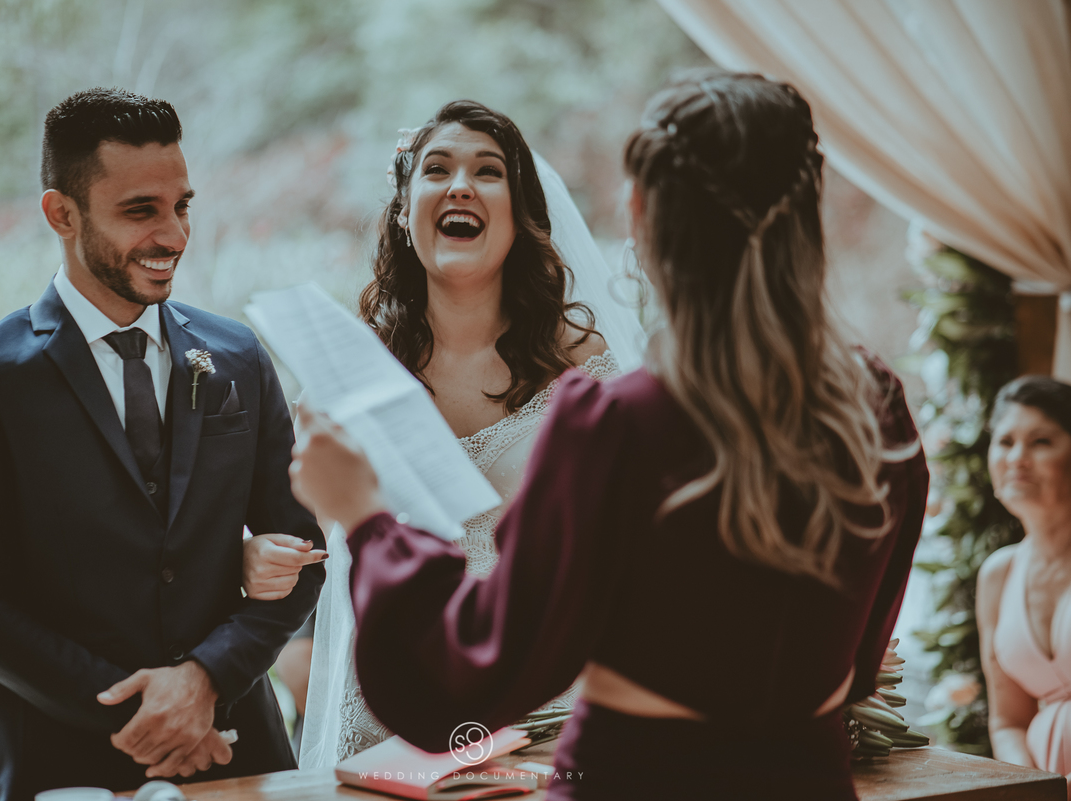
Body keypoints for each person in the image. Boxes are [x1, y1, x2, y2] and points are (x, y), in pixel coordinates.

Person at [287, 71, 929, 800]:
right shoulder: (876, 404)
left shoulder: (617, 423)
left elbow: (463, 680)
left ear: (643, 219)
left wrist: (367, 519)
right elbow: (865, 651)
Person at [0, 87, 326, 798]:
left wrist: (205, 679)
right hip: (66, 762)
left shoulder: (237, 355)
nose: (172, 234)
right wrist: (146, 711)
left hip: (241, 749)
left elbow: (302, 554)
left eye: (182, 206)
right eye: (141, 210)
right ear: (62, 213)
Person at [242, 99, 646, 768]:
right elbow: (296, 527)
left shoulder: (584, 366)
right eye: (438, 169)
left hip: (541, 706)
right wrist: (255, 557)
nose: (460, 185)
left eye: (488, 172)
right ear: (406, 211)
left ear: (521, 217)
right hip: (390, 707)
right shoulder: (346, 369)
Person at [977, 376, 1071, 790]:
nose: (1017, 457)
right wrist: (1033, 789)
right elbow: (1008, 720)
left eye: (1040, 442)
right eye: (1005, 441)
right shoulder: (998, 575)